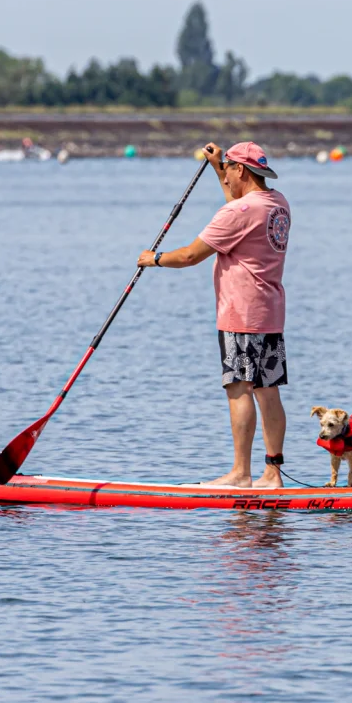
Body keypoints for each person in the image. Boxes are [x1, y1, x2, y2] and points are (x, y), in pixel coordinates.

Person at [137, 141, 291, 488]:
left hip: (240, 314)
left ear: (241, 170)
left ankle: (240, 474)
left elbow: (192, 255)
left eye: (230, 168)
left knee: (238, 387)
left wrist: (154, 258)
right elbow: (240, 205)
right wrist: (216, 167)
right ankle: (273, 474)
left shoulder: (238, 213)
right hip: (270, 313)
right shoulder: (278, 204)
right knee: (268, 391)